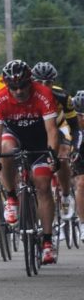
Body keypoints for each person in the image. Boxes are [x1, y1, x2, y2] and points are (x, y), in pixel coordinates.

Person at [0, 60, 59, 265]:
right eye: (13, 87)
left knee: (44, 186)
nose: (19, 91)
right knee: (6, 150)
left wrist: (52, 156)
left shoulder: (43, 95)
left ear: (31, 82)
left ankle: (47, 242)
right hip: (15, 135)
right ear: (6, 85)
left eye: (23, 86)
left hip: (39, 139)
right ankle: (11, 197)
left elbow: (52, 131)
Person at [31, 62, 77, 220]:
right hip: (38, 130)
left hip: (59, 126)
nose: (44, 86)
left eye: (48, 82)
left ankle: (65, 196)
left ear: (53, 82)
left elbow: (74, 127)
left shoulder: (62, 96)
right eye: (39, 82)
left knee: (62, 159)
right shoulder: (27, 95)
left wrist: (74, 148)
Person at [69, 90, 84, 243]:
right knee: (81, 183)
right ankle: (83, 224)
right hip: (75, 149)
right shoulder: (69, 124)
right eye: (80, 115)